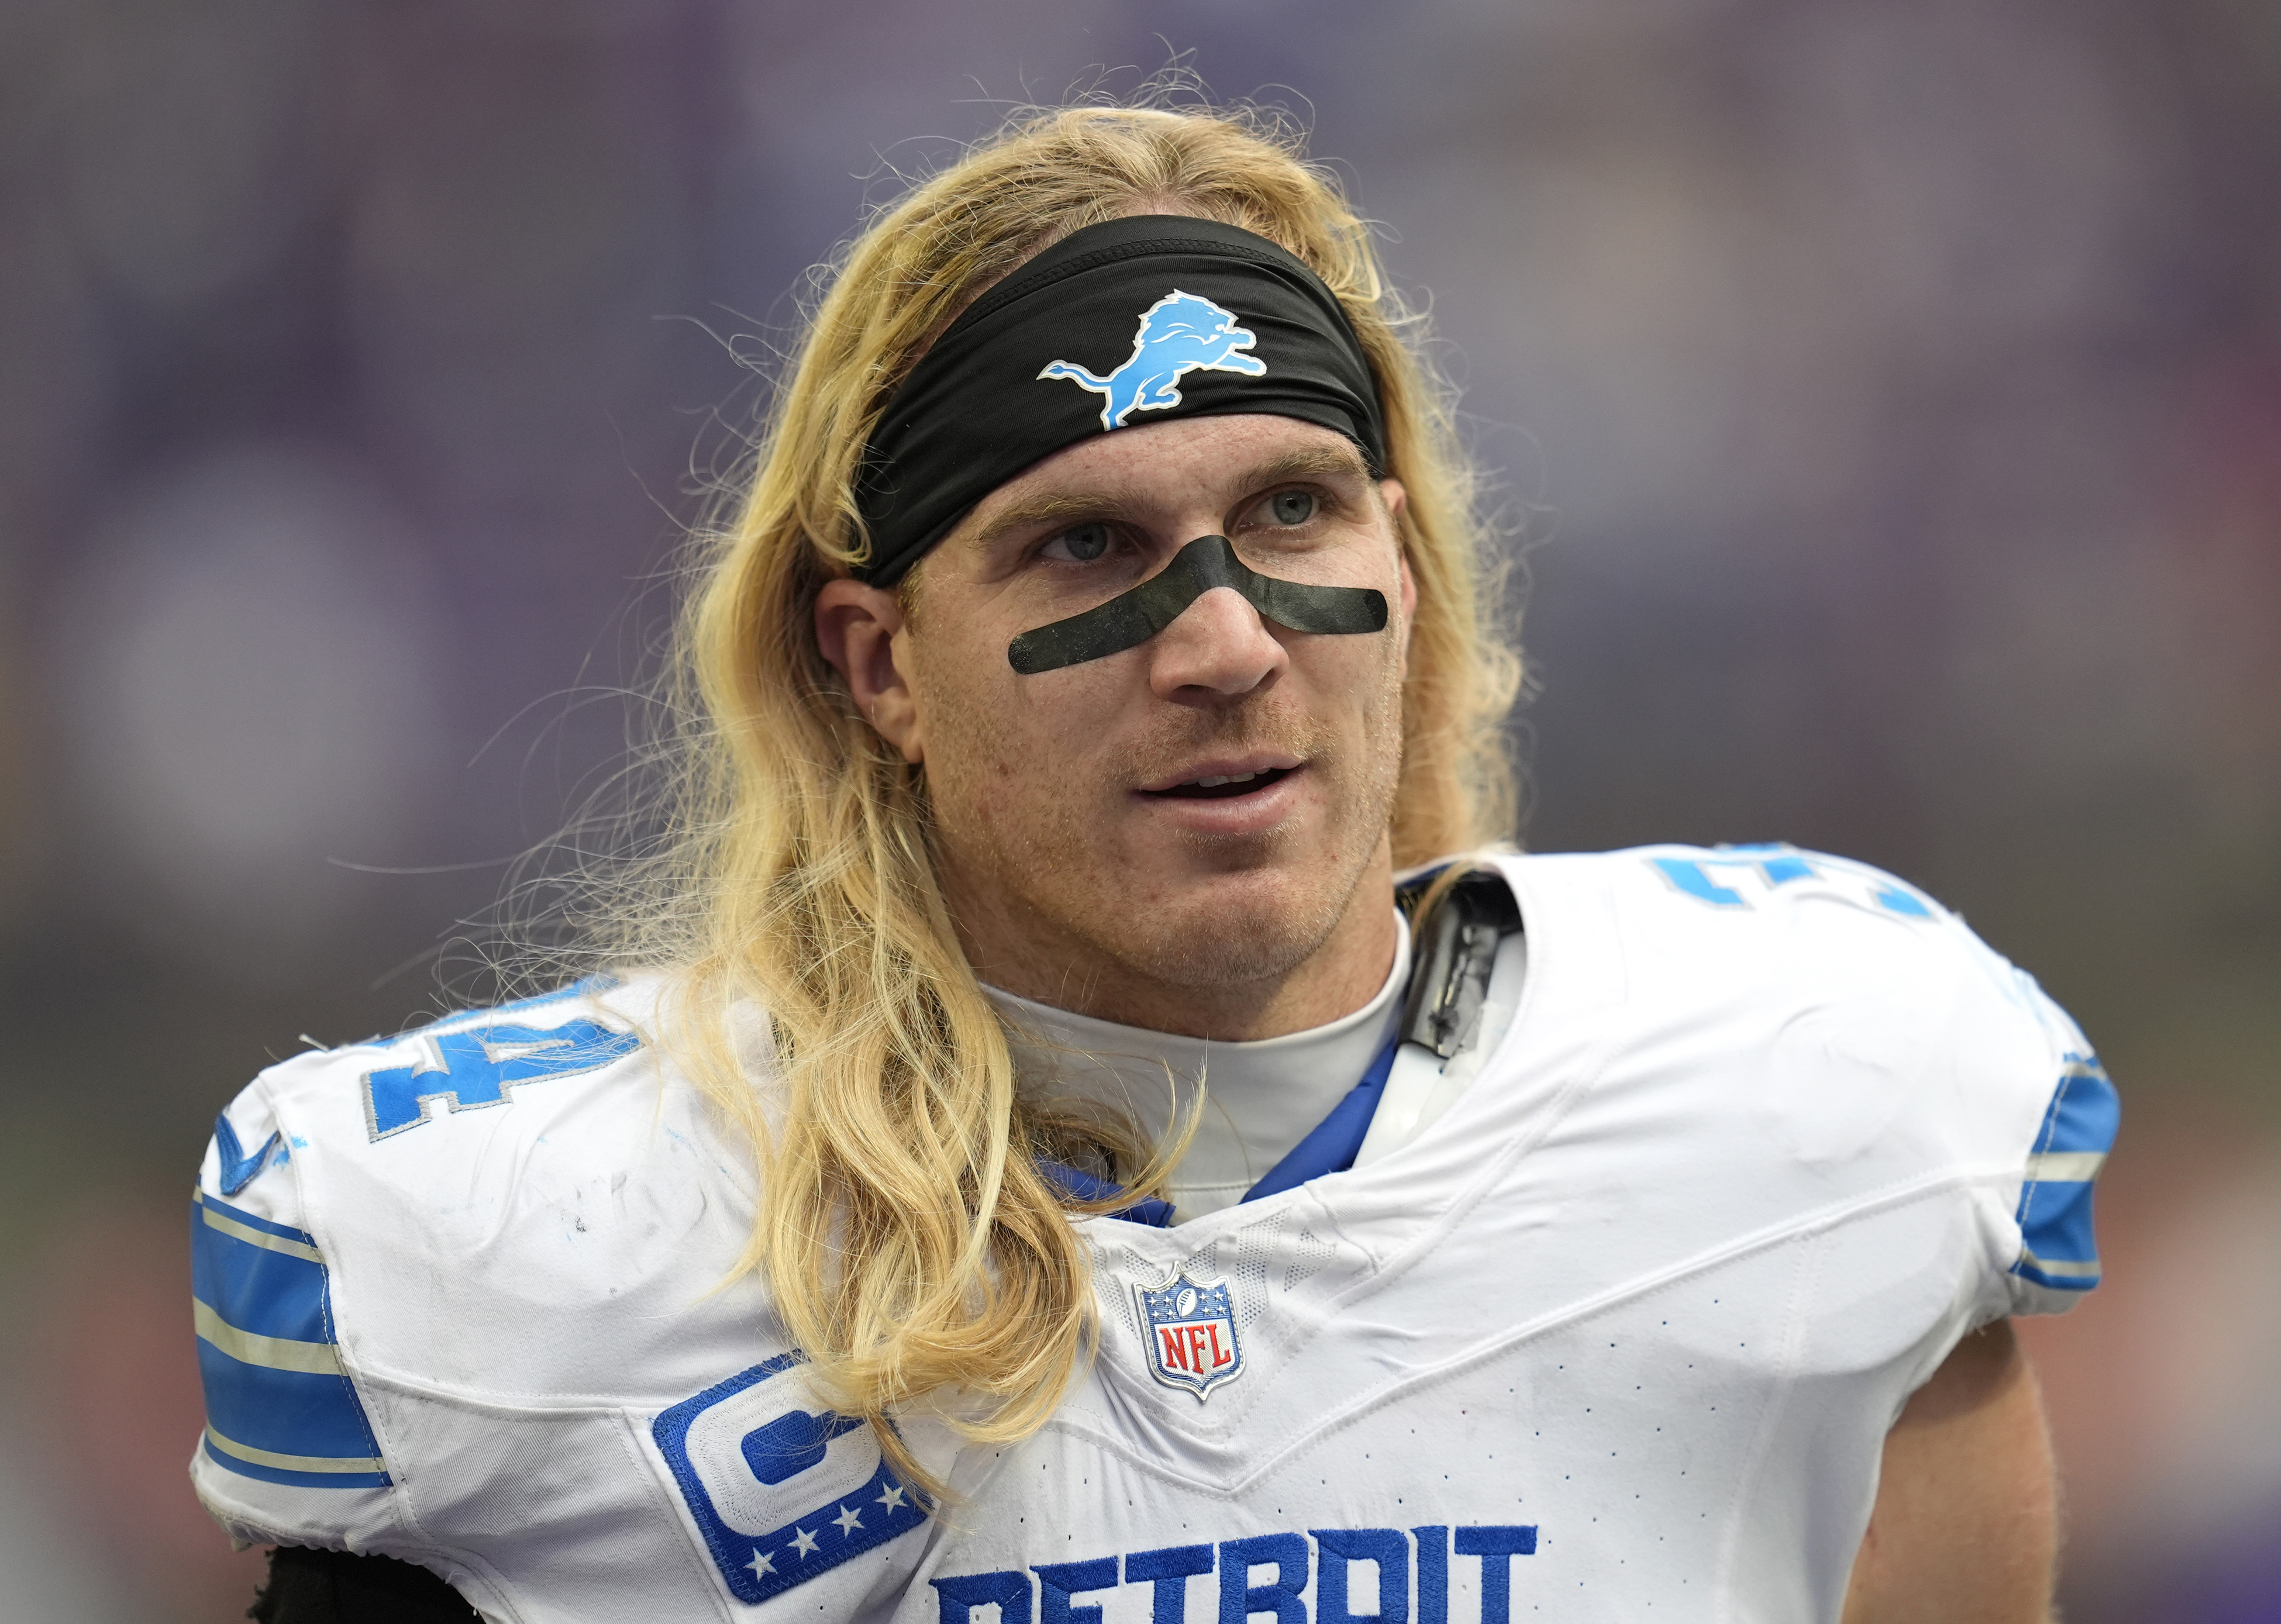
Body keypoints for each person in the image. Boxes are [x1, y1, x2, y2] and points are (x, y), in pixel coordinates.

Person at [187, 103, 2115, 1624]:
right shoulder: (511, 1232)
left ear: (1401, 574)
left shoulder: (1826, 1089)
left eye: (1288, 508)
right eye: (1084, 549)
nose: (1219, 639)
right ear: (878, 666)